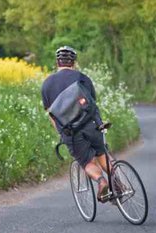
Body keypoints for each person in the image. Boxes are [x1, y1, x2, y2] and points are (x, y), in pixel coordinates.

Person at [41, 46, 111, 201]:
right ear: (73, 62)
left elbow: (52, 115)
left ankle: (101, 181)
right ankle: (119, 185)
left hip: (72, 132)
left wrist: (60, 132)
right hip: (92, 125)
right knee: (103, 155)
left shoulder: (47, 84)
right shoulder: (83, 78)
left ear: (57, 62)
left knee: (86, 162)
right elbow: (92, 103)